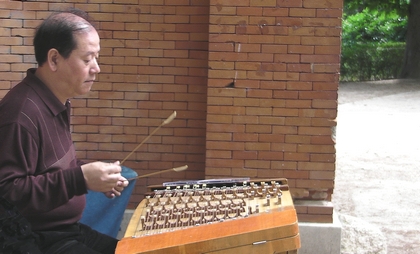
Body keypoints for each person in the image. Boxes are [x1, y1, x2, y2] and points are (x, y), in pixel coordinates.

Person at [0, 8, 129, 254]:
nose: (96, 68)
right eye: (87, 58)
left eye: (96, 58)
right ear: (54, 59)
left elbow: (50, 169)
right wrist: (79, 179)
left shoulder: (56, 100)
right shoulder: (21, 114)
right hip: (34, 240)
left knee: (134, 250)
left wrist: (95, 176)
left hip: (66, 230)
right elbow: (8, 192)